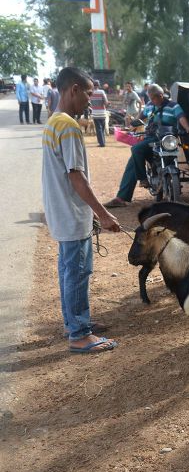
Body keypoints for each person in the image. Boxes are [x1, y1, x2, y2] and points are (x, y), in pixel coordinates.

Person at [42, 67, 121, 352]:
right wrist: (102, 213)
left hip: (61, 213)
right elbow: (76, 176)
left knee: (68, 270)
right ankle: (79, 334)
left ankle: (73, 321)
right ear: (73, 89)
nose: (92, 99)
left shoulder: (54, 122)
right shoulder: (69, 126)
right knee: (76, 271)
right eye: (88, 93)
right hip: (73, 215)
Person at [104, 84, 189, 207]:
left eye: (153, 98)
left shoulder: (174, 106)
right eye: (150, 98)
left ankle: (125, 194)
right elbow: (140, 117)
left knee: (135, 154)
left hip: (167, 138)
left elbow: (181, 117)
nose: (151, 101)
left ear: (161, 96)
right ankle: (133, 189)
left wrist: (188, 128)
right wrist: (130, 127)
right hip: (151, 138)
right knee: (135, 153)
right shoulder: (150, 106)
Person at [89, 80, 109, 147]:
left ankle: (101, 143)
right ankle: (103, 142)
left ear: (93, 85)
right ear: (99, 85)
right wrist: (106, 106)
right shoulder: (102, 92)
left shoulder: (91, 93)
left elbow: (89, 103)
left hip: (95, 113)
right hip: (102, 113)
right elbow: (106, 102)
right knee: (102, 128)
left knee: (98, 128)